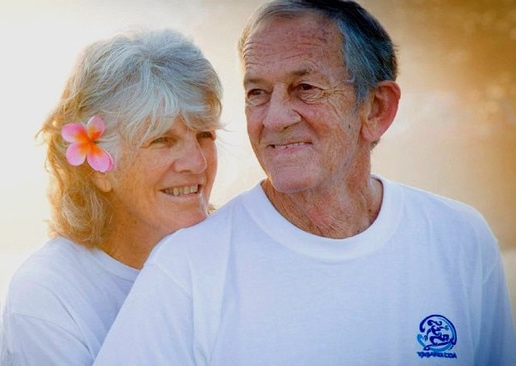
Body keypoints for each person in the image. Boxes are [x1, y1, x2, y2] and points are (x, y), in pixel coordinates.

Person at [93, 1, 516, 365]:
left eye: (305, 88)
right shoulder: (185, 270)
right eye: (257, 92)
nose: (274, 118)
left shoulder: (459, 238)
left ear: (375, 109)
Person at [0, 28, 223, 365]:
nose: (197, 163)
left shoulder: (226, 261)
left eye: (205, 135)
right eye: (162, 140)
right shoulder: (45, 298)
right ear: (100, 168)